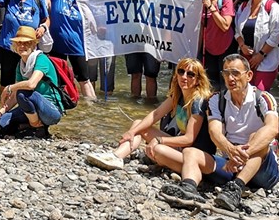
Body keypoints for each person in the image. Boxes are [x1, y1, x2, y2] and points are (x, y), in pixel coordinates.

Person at [161, 54, 279, 211]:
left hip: (262, 170)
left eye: (236, 73)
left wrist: (242, 154)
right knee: (191, 152)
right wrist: (231, 151)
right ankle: (188, 188)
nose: (230, 78)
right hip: (230, 165)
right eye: (226, 73)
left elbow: (272, 128)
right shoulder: (217, 99)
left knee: (257, 137)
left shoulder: (264, 98)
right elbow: (214, 132)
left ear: (249, 75)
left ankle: (236, 190)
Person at [86, 57, 214, 173]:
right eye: (181, 72)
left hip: (192, 157)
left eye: (190, 74)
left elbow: (189, 139)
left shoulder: (198, 102)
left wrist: (159, 140)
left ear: (198, 80)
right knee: (138, 124)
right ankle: (116, 157)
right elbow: (156, 113)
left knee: (158, 149)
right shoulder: (179, 94)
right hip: (179, 149)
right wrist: (132, 132)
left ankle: (167, 164)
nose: (184, 77)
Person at [41, 0, 96, 100]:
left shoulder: (83, 1)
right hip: (57, 46)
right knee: (58, 79)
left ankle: (93, 108)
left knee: (84, 79)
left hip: (77, 46)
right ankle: (62, 103)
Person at [0, 26, 62, 139]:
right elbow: (14, 97)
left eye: (27, 43)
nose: (22, 46)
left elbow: (31, 84)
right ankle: (30, 128)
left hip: (50, 110)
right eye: (19, 43)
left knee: (23, 92)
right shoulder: (21, 65)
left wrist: (9, 87)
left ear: (33, 45)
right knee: (0, 124)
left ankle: (36, 126)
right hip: (32, 109)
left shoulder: (41, 59)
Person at [234, 0, 279, 91]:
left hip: (267, 58)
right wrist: (242, 45)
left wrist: (261, 55)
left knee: (259, 94)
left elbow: (276, 35)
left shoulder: (273, 7)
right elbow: (237, 30)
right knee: (244, 93)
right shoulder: (243, 7)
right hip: (246, 59)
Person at [199, 0, 236, 88]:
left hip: (225, 48)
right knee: (210, 85)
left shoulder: (225, 0)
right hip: (208, 50)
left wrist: (211, 7)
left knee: (226, 85)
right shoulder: (200, 0)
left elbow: (225, 26)